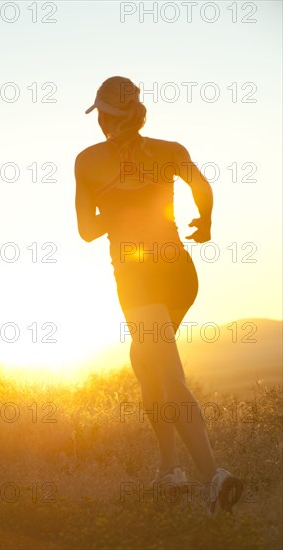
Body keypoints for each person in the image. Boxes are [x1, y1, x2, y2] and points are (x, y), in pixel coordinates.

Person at [75, 76, 243, 515]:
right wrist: (204, 224)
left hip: (139, 278)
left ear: (104, 117)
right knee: (146, 363)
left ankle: (213, 478)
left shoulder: (88, 161)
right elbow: (202, 187)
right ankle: (170, 470)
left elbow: (86, 231)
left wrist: (115, 208)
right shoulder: (171, 149)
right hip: (181, 273)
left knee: (168, 376)